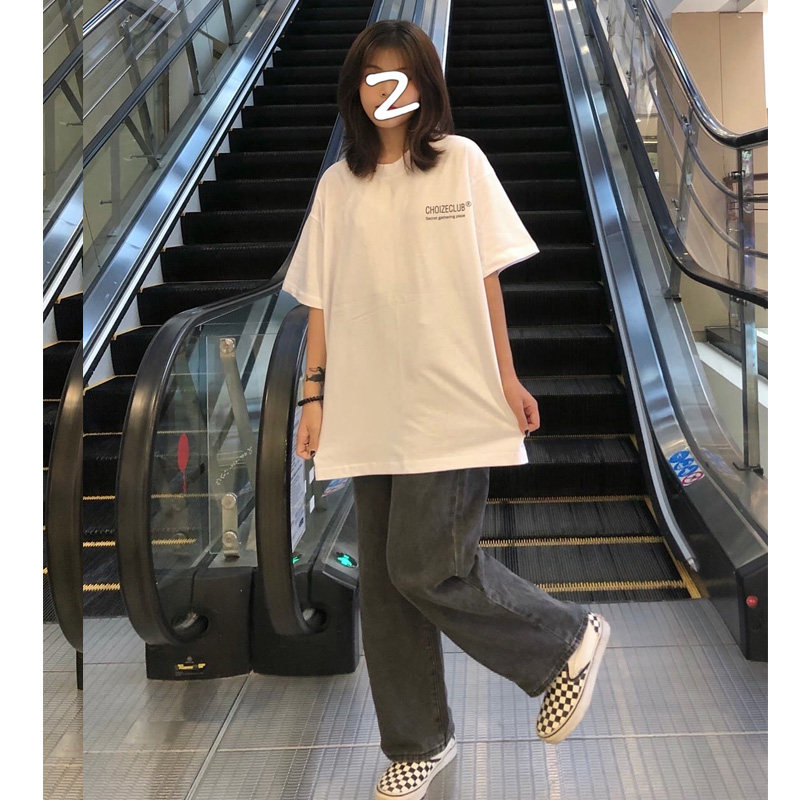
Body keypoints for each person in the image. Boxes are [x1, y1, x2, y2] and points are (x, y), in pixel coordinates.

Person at [282, 20, 611, 800]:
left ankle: (563, 638)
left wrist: (508, 378)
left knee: (427, 565)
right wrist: (313, 398)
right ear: (357, 87)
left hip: (451, 399)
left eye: (401, 75)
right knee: (386, 588)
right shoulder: (339, 187)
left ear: (424, 85)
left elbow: (486, 279)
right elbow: (318, 303)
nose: (386, 89)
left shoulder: (461, 162)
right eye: (373, 75)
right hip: (368, 408)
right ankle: (417, 743)